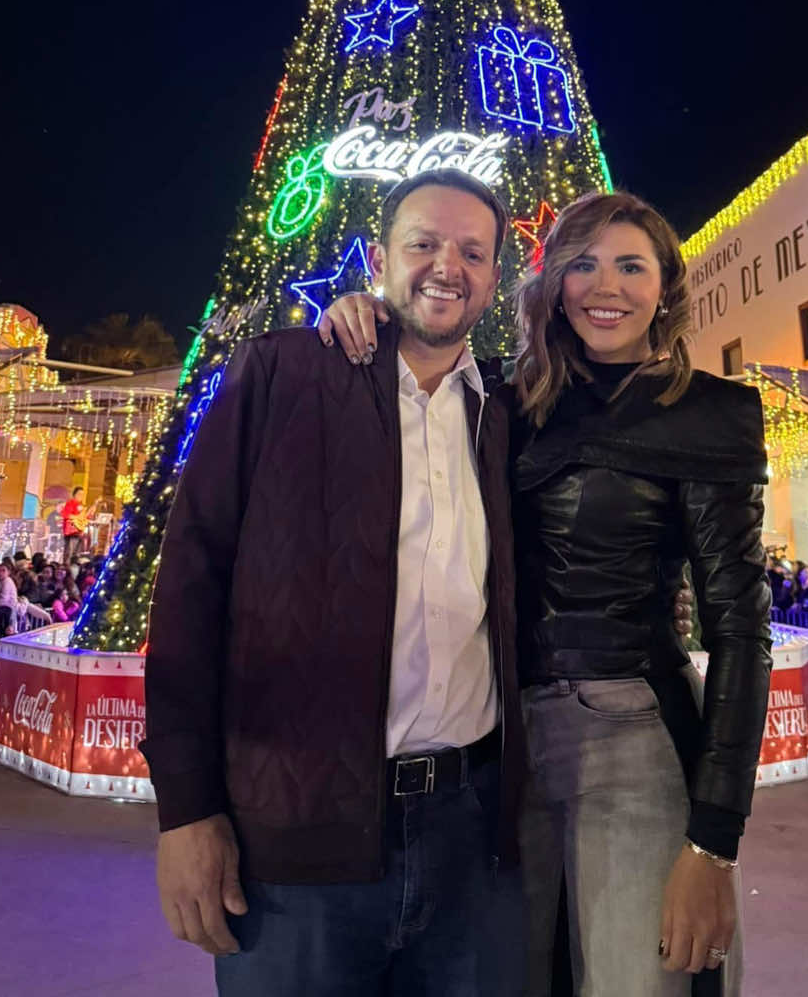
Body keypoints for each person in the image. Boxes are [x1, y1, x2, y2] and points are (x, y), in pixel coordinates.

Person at [323, 188, 771, 994]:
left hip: (633, 732)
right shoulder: (509, 399)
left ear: (665, 285)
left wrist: (714, 840)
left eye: (632, 265)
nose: (608, 286)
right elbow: (421, 367)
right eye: (585, 264)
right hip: (504, 748)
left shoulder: (709, 413)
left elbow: (741, 632)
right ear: (554, 283)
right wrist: (368, 313)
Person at [142, 169, 525, 996]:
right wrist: (185, 808)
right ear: (380, 258)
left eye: (472, 250)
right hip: (295, 843)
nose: (445, 266)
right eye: (422, 243)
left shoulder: (505, 411)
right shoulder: (283, 374)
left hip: (470, 838)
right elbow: (189, 591)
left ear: (496, 275)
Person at [60, 488, 88, 565]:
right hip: (71, 532)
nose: (81, 496)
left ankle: (74, 568)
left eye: (82, 494)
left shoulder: (82, 506)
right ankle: (66, 568)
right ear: (74, 495)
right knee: (69, 552)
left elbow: (86, 517)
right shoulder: (70, 503)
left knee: (77, 554)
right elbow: (66, 514)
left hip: (80, 532)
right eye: (79, 494)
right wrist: (77, 517)